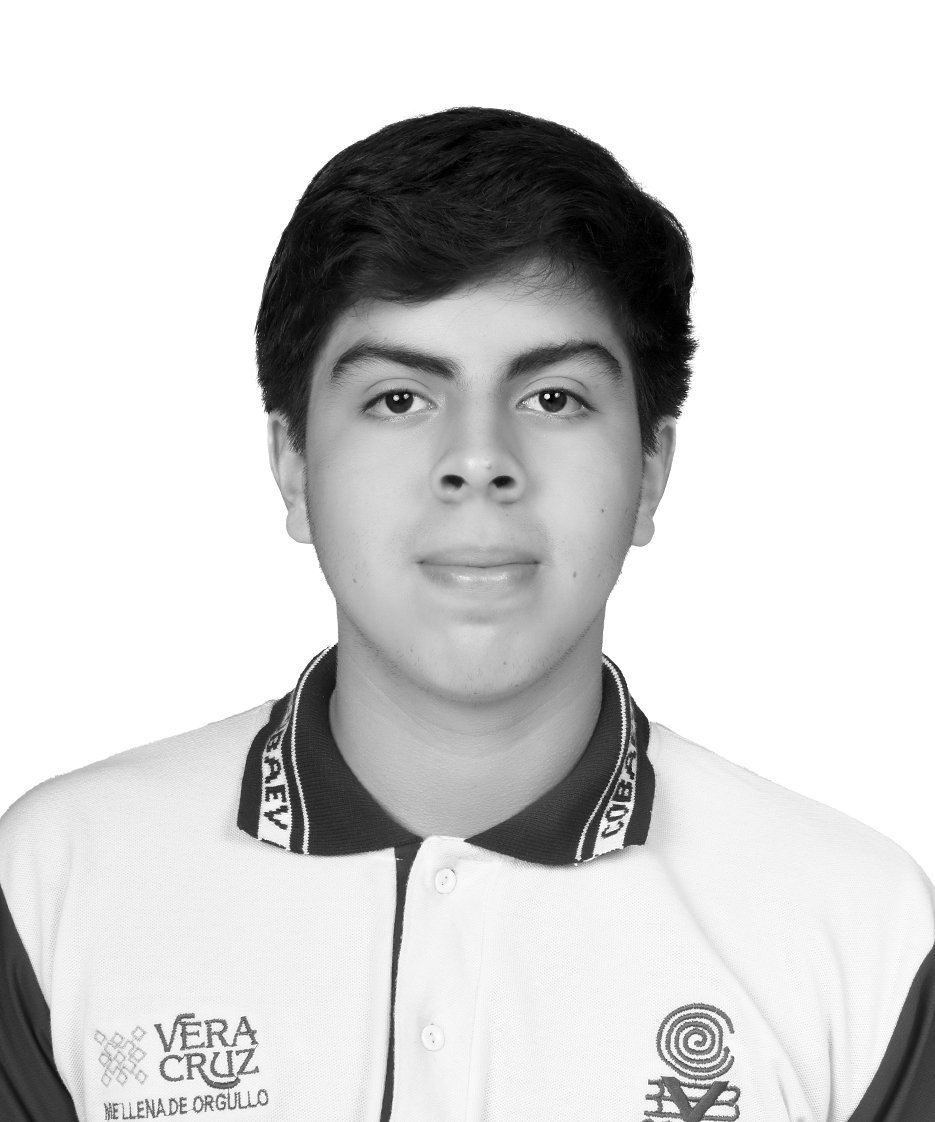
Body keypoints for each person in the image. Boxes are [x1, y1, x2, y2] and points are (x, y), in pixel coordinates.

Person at [0, 107, 931, 1122]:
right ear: (293, 465)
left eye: (554, 399)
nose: (478, 460)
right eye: (399, 399)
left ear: (651, 467)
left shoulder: (858, 935)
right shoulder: (58, 888)